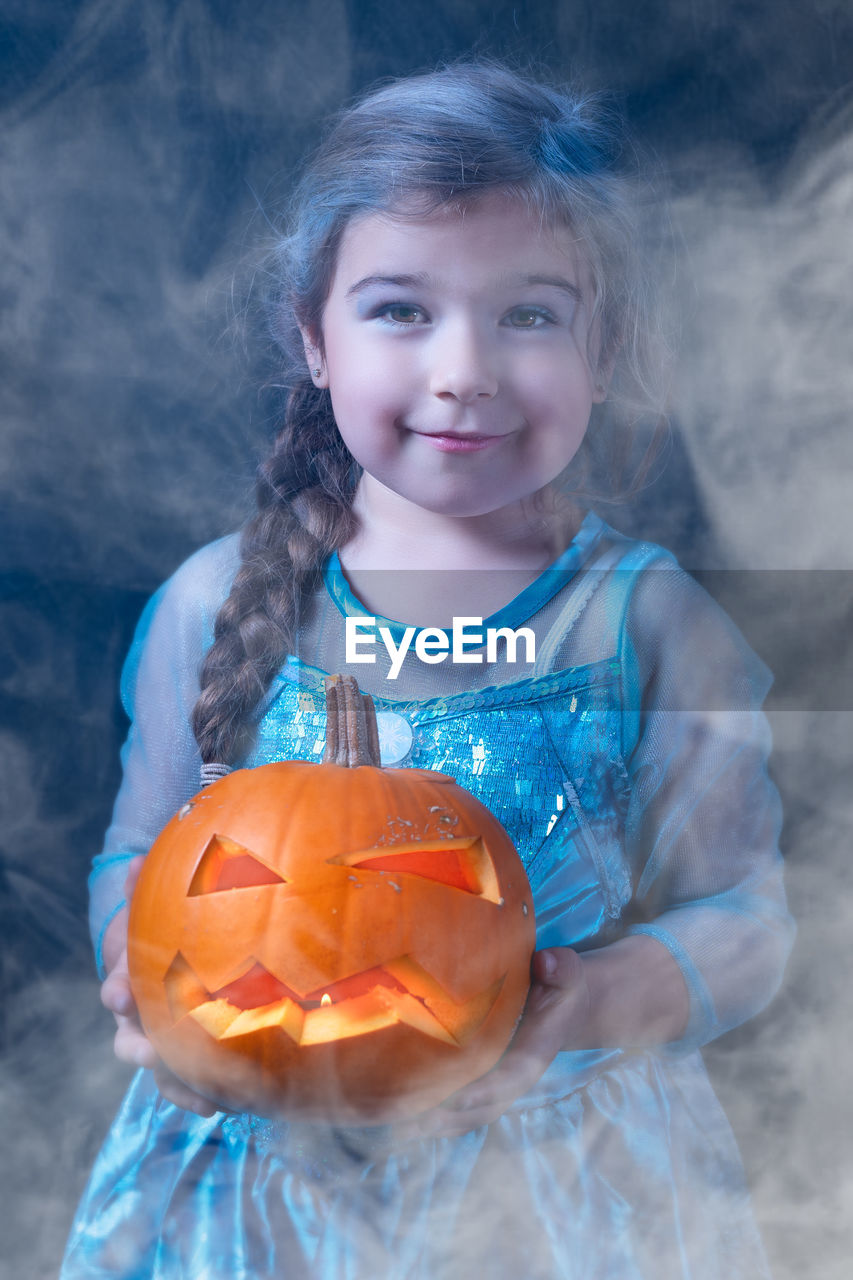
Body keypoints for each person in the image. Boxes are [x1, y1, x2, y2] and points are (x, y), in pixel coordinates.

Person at [61, 62, 794, 1278]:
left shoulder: (648, 619)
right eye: (402, 309)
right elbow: (139, 858)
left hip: (552, 1193)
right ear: (313, 336)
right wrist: (144, 987)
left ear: (603, 347)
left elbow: (749, 920)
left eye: (530, 314)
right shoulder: (210, 599)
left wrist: (594, 995)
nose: (465, 369)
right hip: (250, 1197)